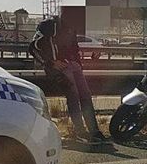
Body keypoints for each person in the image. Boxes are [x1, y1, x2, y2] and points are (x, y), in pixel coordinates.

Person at [30, 14, 109, 144]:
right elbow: (33, 47)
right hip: (60, 68)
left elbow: (74, 48)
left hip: (73, 65)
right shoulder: (49, 25)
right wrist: (50, 63)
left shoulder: (72, 28)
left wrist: (77, 63)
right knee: (73, 96)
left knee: (86, 96)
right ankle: (80, 132)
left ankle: (94, 131)